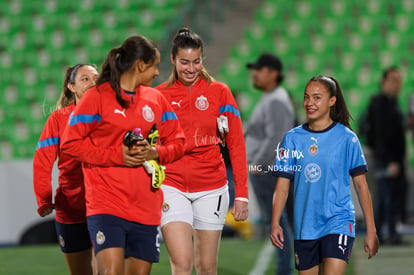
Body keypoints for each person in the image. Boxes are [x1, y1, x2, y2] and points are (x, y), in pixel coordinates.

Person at [61, 35, 186, 275]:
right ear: (140, 65)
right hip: (106, 204)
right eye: (155, 66)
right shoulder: (96, 98)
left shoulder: (155, 99)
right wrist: (116, 155)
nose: (158, 73)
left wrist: (155, 151)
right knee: (111, 272)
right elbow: (69, 144)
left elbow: (179, 143)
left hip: (147, 207)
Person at [155, 28, 249, 275]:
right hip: (171, 186)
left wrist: (242, 194)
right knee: (182, 264)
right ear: (173, 60)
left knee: (207, 267)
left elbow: (237, 145)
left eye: (196, 61)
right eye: (184, 62)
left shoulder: (221, 92)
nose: (190, 68)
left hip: (212, 188)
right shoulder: (158, 96)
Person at [270, 75, 379, 275]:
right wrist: (275, 221)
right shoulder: (292, 139)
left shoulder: (347, 138)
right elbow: (282, 185)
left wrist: (371, 229)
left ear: (332, 101)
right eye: (306, 97)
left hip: (339, 221)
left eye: (317, 97)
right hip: (305, 226)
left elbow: (361, 185)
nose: (309, 103)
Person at [33, 63, 99, 275]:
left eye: (96, 78)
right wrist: (44, 198)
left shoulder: (110, 115)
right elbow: (43, 161)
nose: (93, 83)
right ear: (71, 87)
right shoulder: (58, 119)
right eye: (85, 79)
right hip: (71, 209)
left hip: (105, 206)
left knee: (108, 271)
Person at [245, 53, 294, 275]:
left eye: (259, 69)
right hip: (270, 168)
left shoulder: (276, 100)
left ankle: (284, 270)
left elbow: (276, 138)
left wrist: (257, 165)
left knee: (277, 222)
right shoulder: (272, 97)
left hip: (269, 168)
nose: (254, 73)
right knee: (280, 222)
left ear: (273, 73)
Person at [366, 67, 408, 245]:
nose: (396, 84)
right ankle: (381, 234)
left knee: (391, 196)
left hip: (394, 158)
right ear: (383, 82)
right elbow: (381, 135)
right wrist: (390, 160)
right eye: (392, 80)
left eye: (398, 80)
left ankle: (387, 233)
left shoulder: (393, 103)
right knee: (385, 196)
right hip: (385, 158)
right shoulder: (380, 104)